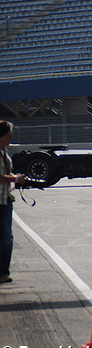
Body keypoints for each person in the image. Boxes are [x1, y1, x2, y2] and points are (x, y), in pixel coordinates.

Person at [0, 121, 25, 284]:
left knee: (5, 238)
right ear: (7, 135)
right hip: (0, 203)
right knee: (5, 238)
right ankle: (2, 272)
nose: (11, 137)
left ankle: (2, 272)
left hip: (4, 199)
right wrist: (16, 178)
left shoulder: (4, 152)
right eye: (11, 134)